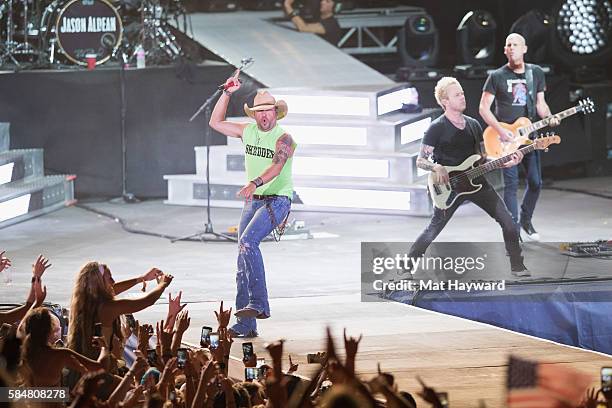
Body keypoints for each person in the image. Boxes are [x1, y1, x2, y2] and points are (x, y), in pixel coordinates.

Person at [409, 77, 529, 276]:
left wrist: (507, 160)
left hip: (477, 183)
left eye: (463, 93)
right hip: (449, 187)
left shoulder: (473, 124)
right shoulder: (436, 127)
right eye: (457, 95)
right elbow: (420, 160)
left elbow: (482, 158)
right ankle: (406, 267)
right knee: (433, 229)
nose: (463, 97)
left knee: (508, 222)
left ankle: (517, 265)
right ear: (445, 101)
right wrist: (436, 167)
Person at [209, 71, 296, 338]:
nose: (264, 115)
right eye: (259, 111)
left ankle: (259, 303)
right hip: (254, 200)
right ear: (254, 115)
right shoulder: (247, 131)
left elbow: (277, 167)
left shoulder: (285, 139)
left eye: (268, 110)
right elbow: (216, 122)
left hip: (278, 200)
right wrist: (226, 93)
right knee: (241, 258)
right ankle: (246, 324)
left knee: (248, 243)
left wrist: (254, 183)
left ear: (276, 112)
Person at [479, 33, 559, 242]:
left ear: (524, 49)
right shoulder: (496, 76)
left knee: (535, 182)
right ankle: (513, 230)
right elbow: (483, 108)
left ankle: (526, 220)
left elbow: (540, 104)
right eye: (508, 45)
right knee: (511, 185)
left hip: (529, 138)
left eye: (516, 44)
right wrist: (500, 130)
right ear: (505, 50)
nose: (511, 47)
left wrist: (549, 117)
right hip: (505, 140)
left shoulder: (536, 73)